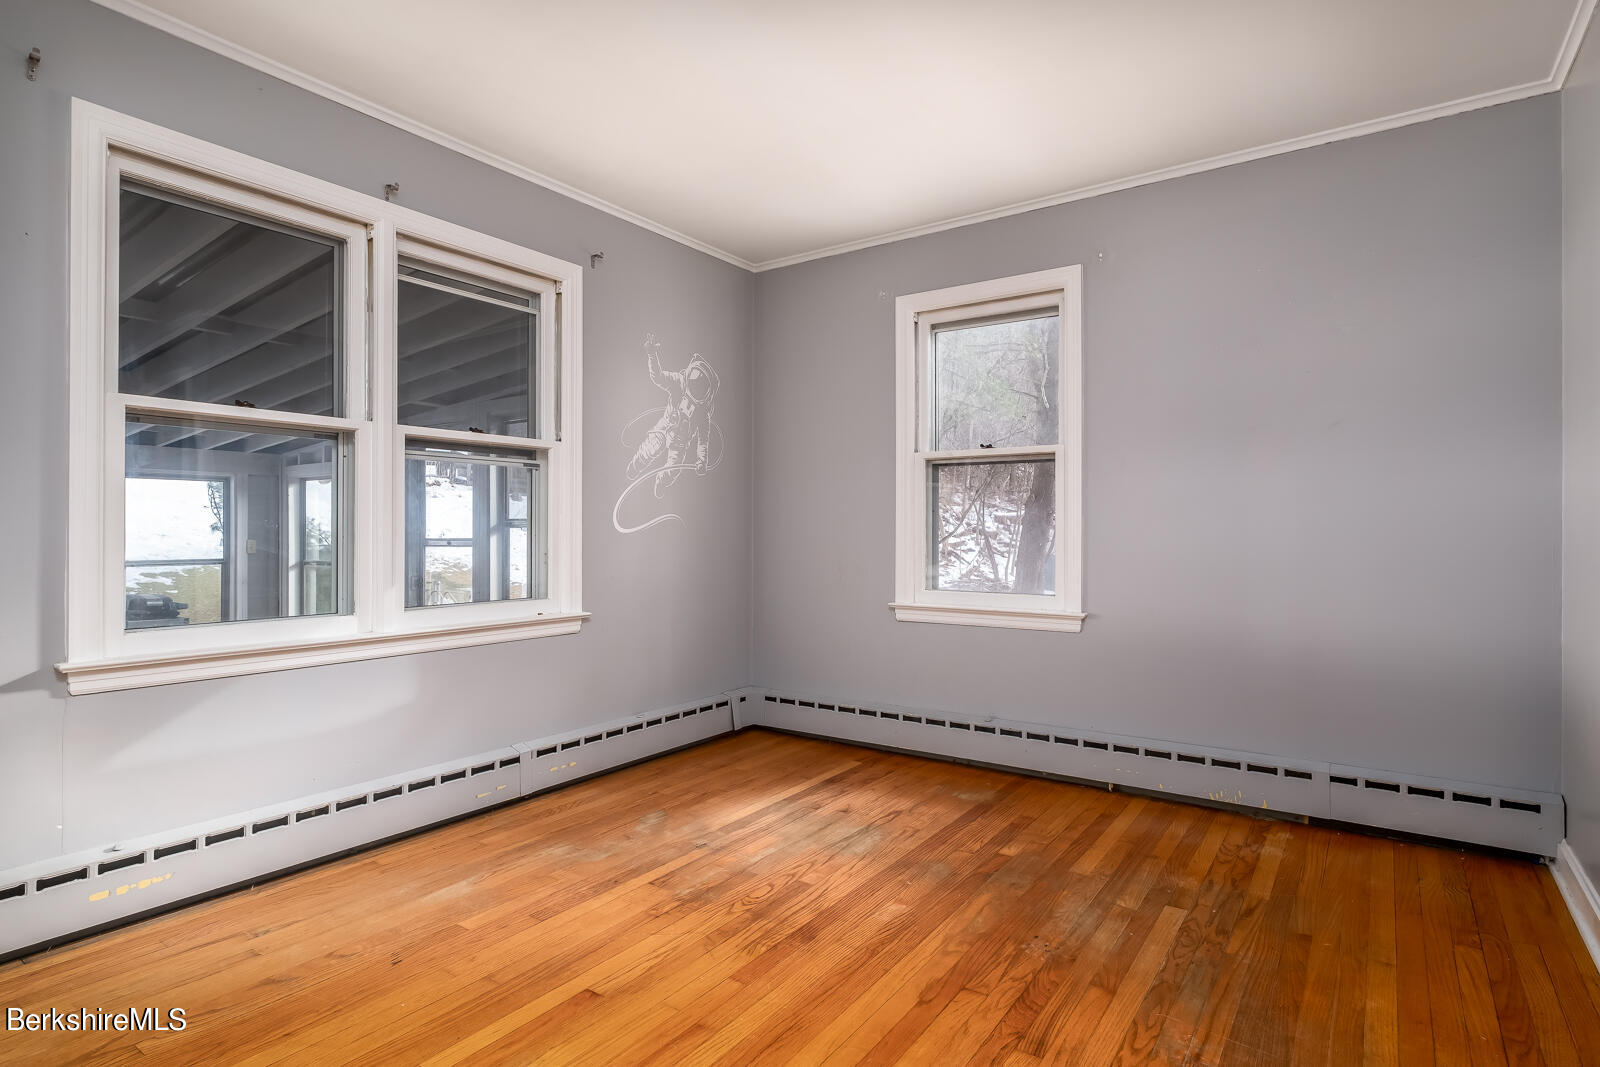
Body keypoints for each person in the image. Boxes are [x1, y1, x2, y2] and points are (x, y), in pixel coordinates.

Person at [626, 335, 720, 497]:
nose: (695, 384)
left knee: (672, 470)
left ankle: (661, 481)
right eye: (694, 379)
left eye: (700, 385)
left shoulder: (702, 412)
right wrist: (652, 354)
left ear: (707, 393)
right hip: (665, 428)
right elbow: (658, 377)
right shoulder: (679, 382)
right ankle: (636, 464)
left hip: (680, 443)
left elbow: (702, 441)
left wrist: (701, 462)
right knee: (651, 448)